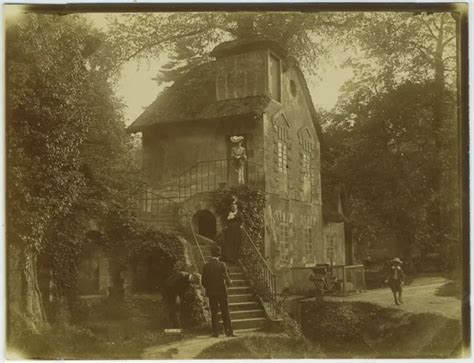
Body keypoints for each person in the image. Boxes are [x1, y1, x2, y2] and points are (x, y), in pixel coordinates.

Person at [201, 245, 236, 337]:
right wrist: (229, 283)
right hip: (222, 292)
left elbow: (203, 281)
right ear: (219, 254)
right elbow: (227, 278)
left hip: (212, 293)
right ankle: (229, 332)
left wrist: (210, 287)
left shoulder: (206, 266)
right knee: (225, 311)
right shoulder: (222, 265)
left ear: (211, 254)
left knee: (214, 312)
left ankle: (215, 333)